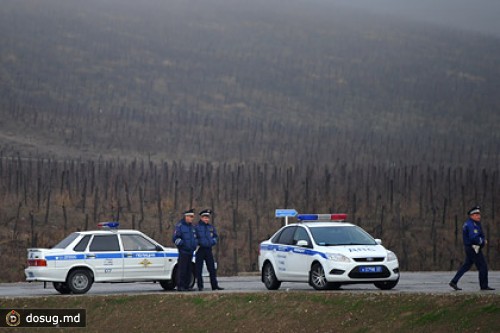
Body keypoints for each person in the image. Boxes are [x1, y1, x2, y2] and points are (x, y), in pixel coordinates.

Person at [449, 206, 495, 291]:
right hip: (473, 248)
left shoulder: (473, 223)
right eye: (476, 214)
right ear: (471, 215)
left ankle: (454, 281)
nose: (479, 216)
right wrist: (483, 241)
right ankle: (484, 286)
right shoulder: (471, 225)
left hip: (471, 248)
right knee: (483, 266)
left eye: (479, 214)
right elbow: (473, 238)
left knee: (466, 266)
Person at [195, 209, 224, 291]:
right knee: (198, 269)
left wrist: (213, 241)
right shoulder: (197, 227)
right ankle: (200, 286)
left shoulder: (211, 227)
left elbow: (215, 236)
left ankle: (214, 286)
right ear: (201, 218)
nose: (206, 219)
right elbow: (194, 238)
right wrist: (199, 242)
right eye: (205, 218)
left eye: (207, 218)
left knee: (212, 269)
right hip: (200, 249)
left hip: (208, 249)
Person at [172, 209, 198, 291]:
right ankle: (180, 286)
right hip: (183, 251)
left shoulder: (192, 227)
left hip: (191, 251)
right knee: (182, 269)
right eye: (190, 217)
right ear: (186, 217)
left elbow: (195, 238)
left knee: (188, 269)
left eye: (192, 217)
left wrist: (195, 244)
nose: (192, 218)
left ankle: (187, 286)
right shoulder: (180, 226)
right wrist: (182, 245)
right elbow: (175, 238)